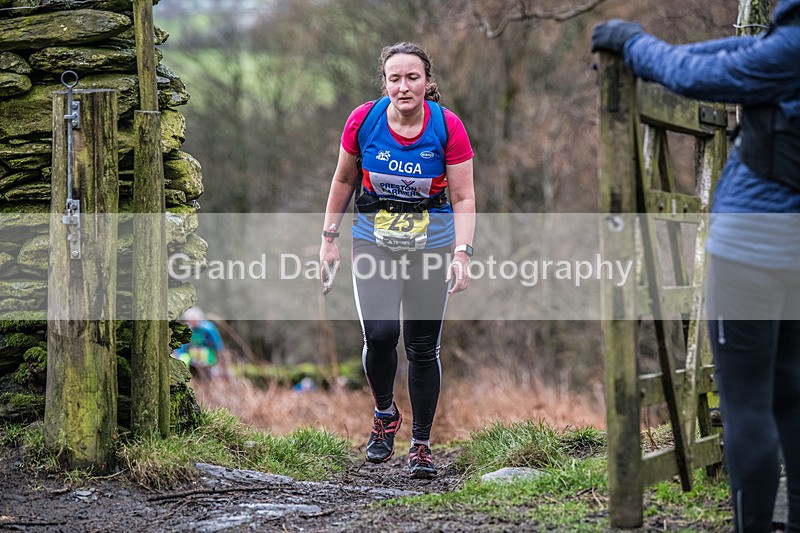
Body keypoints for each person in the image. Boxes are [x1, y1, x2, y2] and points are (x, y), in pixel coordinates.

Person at [592, 4, 800, 532]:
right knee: (794, 394)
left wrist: (633, 44)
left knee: (747, 404)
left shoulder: (794, 48)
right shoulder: (785, 50)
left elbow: (699, 75)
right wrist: (653, 54)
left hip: (754, 246)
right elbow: (739, 54)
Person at [319, 42, 475, 479]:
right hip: (375, 242)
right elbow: (344, 178)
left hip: (433, 244)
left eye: (412, 77)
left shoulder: (447, 127)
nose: (403, 86)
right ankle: (385, 413)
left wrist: (462, 253)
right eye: (394, 78)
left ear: (427, 82)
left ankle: (422, 445)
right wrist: (328, 239)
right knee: (382, 333)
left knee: (423, 348)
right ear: (384, 82)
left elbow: (463, 196)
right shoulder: (364, 121)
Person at [174, 306, 225, 379]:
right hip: (191, 358)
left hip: (207, 356)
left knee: (207, 375)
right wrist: (180, 355)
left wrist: (219, 353)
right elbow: (181, 346)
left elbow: (217, 342)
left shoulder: (208, 328)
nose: (193, 322)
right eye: (191, 320)